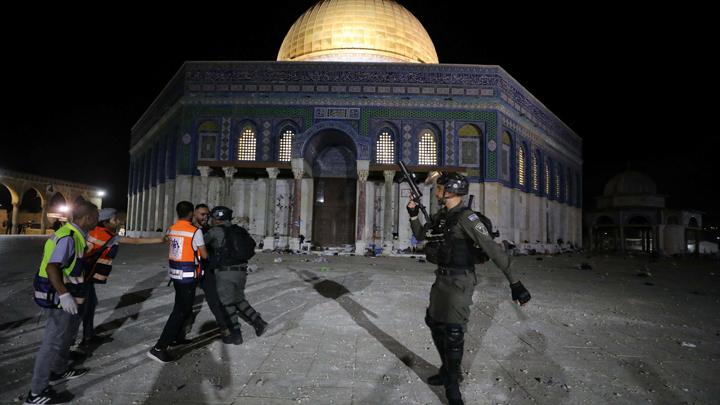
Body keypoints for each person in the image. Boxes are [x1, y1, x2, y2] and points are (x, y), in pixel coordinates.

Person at [407, 172, 531, 405]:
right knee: (434, 322)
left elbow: (493, 250)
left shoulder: (467, 218)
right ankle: (446, 369)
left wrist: (515, 283)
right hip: (441, 279)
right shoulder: (443, 216)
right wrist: (413, 214)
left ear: (451, 191)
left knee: (453, 331)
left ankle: (453, 387)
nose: (437, 189)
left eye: (441, 186)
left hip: (460, 281)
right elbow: (420, 235)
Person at [26, 200, 99, 405]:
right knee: (53, 342)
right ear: (87, 218)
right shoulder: (68, 237)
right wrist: (65, 295)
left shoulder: (76, 235)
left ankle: (59, 370)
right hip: (58, 297)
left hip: (68, 295)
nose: (98, 220)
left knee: (66, 336)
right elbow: (52, 268)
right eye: (96, 216)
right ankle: (36, 393)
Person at [78, 208, 164, 348]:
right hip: (83, 278)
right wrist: (161, 239)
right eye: (114, 219)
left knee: (91, 304)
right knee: (81, 310)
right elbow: (135, 241)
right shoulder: (107, 235)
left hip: (85, 276)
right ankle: (70, 346)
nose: (118, 221)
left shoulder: (92, 231)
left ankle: (88, 336)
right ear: (105, 222)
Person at [147, 201, 207, 363]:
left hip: (175, 274)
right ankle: (159, 348)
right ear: (191, 213)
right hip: (188, 276)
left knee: (183, 309)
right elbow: (204, 254)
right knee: (180, 312)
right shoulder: (195, 231)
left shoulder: (172, 228)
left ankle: (176, 338)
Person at [204, 206, 267, 344]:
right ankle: (258, 321)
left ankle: (236, 334)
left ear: (216, 218)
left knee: (227, 303)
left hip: (225, 272)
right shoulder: (240, 230)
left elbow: (200, 243)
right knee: (238, 299)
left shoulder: (215, 231)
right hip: (241, 272)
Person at [175, 204, 234, 344]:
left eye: (207, 215)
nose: (205, 217)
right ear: (194, 213)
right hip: (189, 270)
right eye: (202, 214)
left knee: (214, 301)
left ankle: (225, 330)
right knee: (185, 303)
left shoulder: (209, 230)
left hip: (207, 270)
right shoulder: (188, 230)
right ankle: (180, 333)